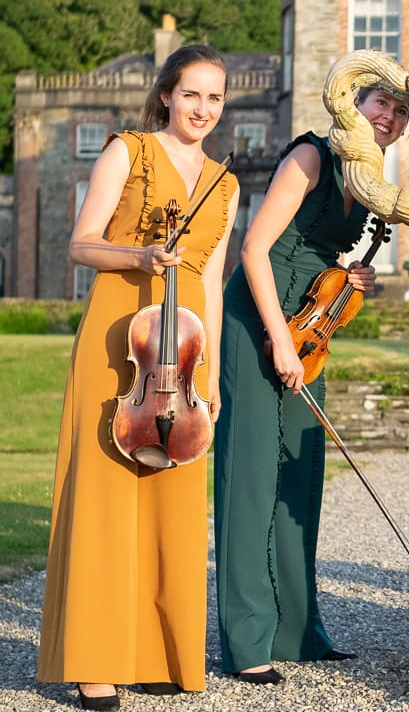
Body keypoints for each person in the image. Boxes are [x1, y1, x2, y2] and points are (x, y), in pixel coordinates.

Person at [38, 45, 240, 710]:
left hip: (179, 355)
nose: (203, 109)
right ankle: (94, 660)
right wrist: (141, 255)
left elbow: (209, 275)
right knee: (104, 502)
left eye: (214, 98)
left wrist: (203, 376)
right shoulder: (128, 151)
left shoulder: (226, 183)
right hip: (118, 338)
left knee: (170, 501)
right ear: (166, 95)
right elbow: (80, 243)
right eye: (192, 95)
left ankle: (159, 652)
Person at [213, 58, 409, 685]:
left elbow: (325, 253)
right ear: (356, 102)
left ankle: (299, 630)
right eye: (383, 103)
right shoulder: (310, 156)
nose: (391, 118)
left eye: (402, 113)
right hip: (259, 319)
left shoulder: (367, 174)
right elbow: (253, 250)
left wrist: (353, 278)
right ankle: (247, 641)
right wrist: (276, 340)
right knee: (250, 476)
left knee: (299, 475)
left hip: (310, 328)